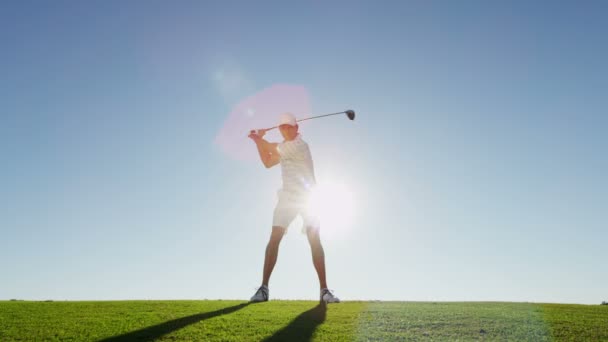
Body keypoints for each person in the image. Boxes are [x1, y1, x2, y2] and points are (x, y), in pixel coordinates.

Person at [247, 112, 340, 304]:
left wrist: (257, 138)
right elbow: (267, 161)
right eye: (282, 127)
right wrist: (259, 142)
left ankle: (324, 291)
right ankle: (263, 289)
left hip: (308, 197)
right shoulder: (284, 148)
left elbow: (270, 148)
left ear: (297, 128)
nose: (285, 129)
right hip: (287, 197)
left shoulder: (300, 146)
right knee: (274, 238)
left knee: (314, 239)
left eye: (289, 126)